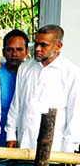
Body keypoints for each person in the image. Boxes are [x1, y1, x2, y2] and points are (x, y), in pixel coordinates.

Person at [5, 24, 80, 152]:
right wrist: (11, 133)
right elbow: (16, 103)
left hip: (54, 149)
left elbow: (75, 115)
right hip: (23, 144)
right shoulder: (25, 68)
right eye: (36, 43)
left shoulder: (71, 72)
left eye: (43, 45)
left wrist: (69, 150)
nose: (38, 48)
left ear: (58, 46)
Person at [0, 29, 29, 146]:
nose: (14, 54)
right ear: (3, 51)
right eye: (10, 49)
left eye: (19, 49)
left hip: (27, 139)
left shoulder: (32, 76)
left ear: (27, 52)